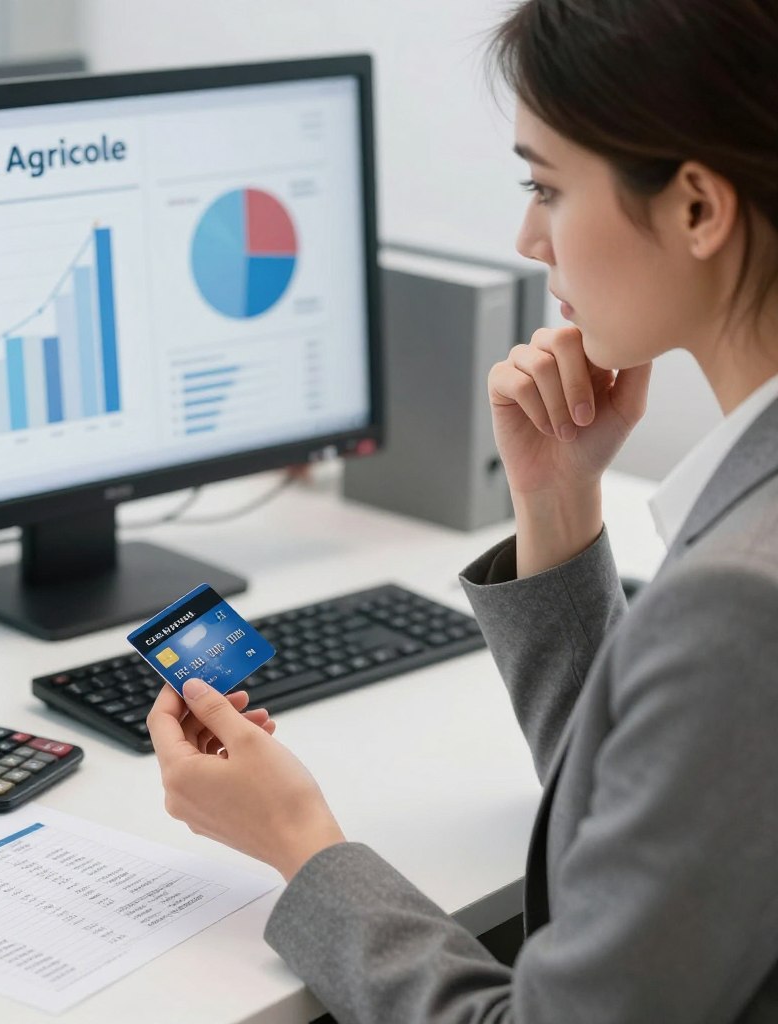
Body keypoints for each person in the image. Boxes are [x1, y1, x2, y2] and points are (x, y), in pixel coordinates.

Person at [147, 0, 778, 1018]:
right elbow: (649, 802)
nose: (528, 238)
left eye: (546, 186)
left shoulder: (741, 602)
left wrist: (299, 841)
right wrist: (556, 498)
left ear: (698, 209)